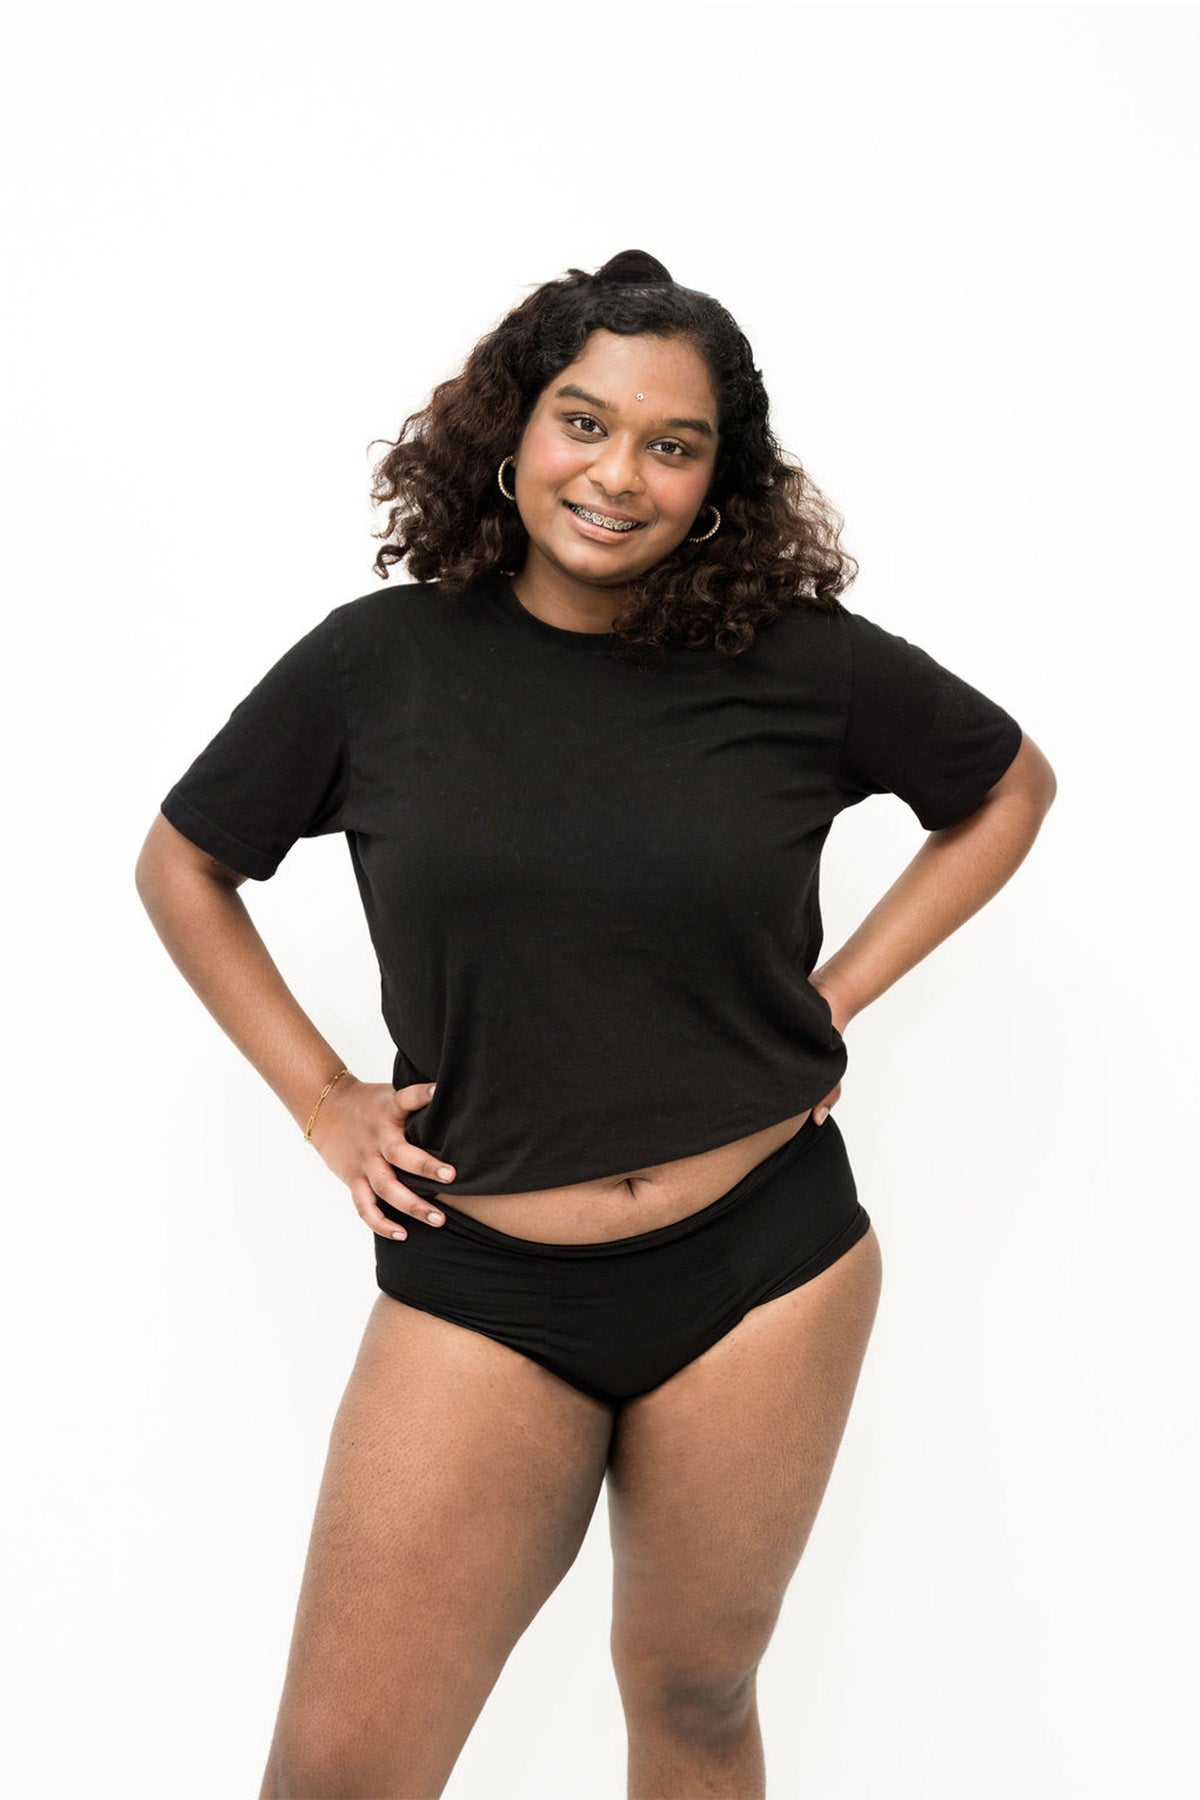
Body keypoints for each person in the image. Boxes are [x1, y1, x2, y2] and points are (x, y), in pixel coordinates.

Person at [135, 248, 1056, 1800]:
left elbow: (1008, 787)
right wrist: (321, 1098)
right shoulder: (380, 663)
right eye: (585, 421)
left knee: (695, 1698)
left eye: (672, 444)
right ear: (512, 430)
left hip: (765, 1266)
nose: (619, 475)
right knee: (338, 1771)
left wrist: (832, 999)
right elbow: (183, 864)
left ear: (717, 482)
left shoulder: (800, 662)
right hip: (485, 1284)